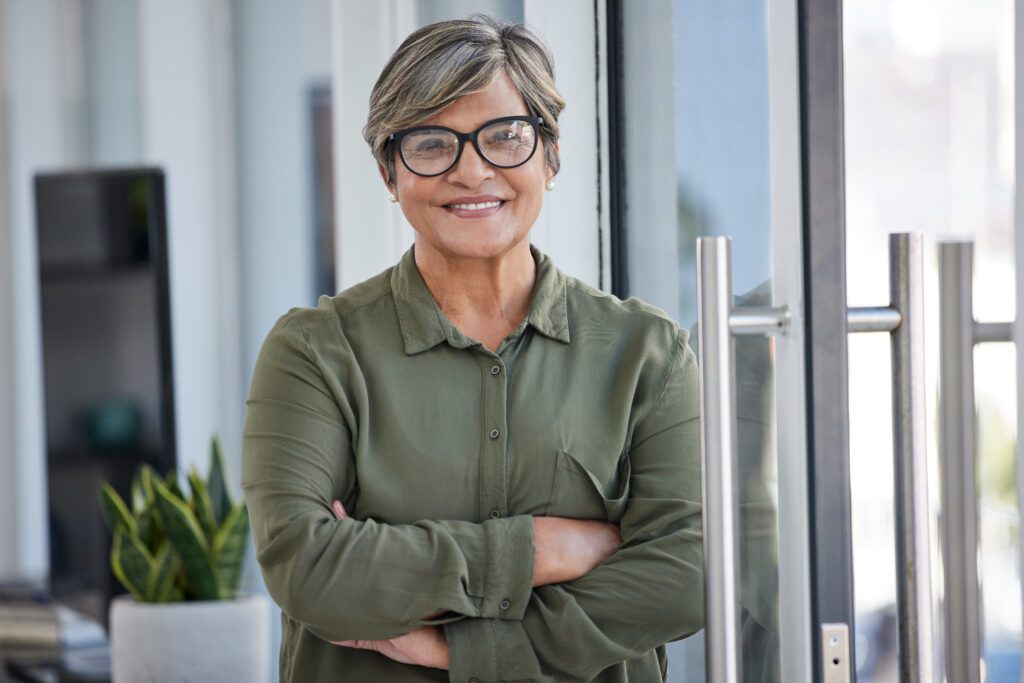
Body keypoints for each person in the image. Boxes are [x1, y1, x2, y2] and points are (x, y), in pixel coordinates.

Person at [242, 15, 703, 683]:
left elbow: (687, 574)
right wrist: (540, 550)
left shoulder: (648, 353)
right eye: (432, 143)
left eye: (505, 136)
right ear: (388, 171)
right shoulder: (313, 353)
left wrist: (462, 648)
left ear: (550, 154)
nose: (472, 170)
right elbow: (308, 569)